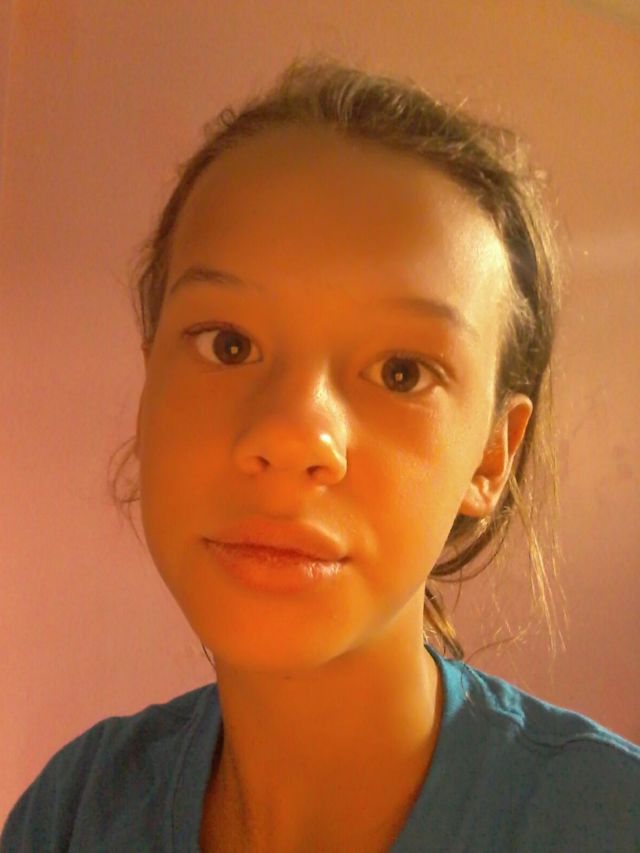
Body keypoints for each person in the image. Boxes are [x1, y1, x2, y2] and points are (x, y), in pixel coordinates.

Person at [2, 55, 638, 853]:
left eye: (401, 371)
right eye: (228, 344)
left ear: (490, 457)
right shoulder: (73, 813)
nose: (291, 434)